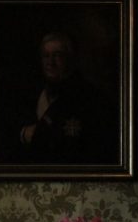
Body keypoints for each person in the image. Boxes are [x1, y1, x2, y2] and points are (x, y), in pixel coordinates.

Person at [15, 32, 116, 165]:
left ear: (69, 59)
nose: (50, 62)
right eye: (46, 56)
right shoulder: (32, 94)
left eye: (57, 55)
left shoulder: (91, 97)